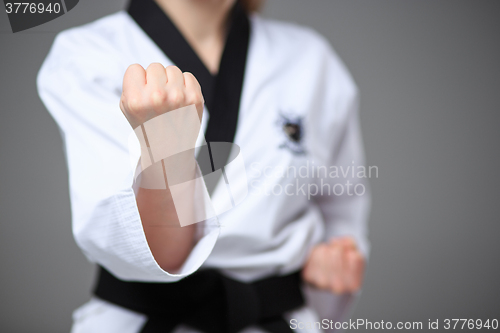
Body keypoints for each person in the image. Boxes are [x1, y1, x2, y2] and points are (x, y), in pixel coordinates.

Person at [37, 0, 370, 332]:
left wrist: (335, 259)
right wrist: (166, 156)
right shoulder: (89, 54)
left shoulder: (309, 59)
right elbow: (161, 256)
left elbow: (342, 210)